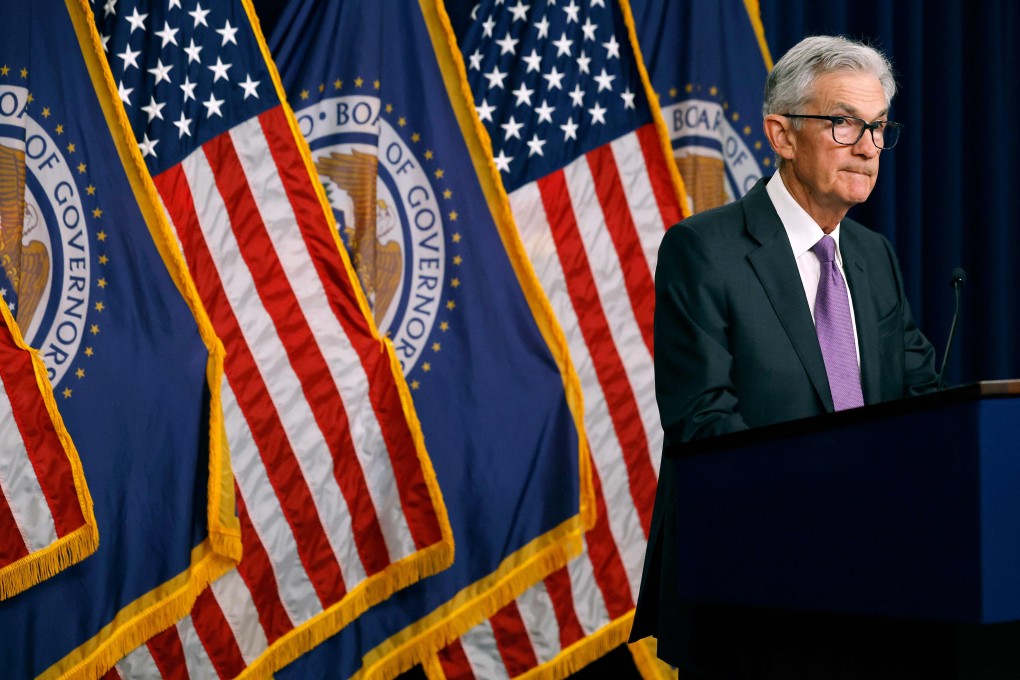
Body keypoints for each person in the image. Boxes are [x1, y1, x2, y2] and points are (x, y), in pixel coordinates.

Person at [630, 36, 945, 678]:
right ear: (781, 133)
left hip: (878, 591)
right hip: (754, 594)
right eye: (844, 123)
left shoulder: (873, 257)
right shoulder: (703, 250)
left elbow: (920, 404)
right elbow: (704, 425)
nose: (868, 146)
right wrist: (830, 515)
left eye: (879, 127)